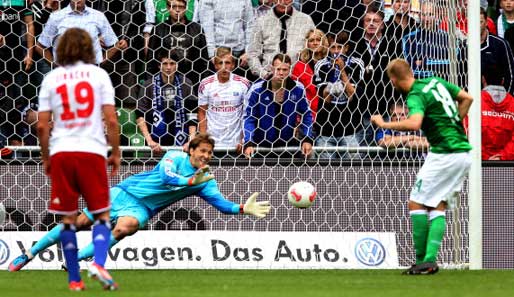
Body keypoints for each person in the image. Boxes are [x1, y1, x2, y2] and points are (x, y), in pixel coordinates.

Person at [8, 133, 271, 272]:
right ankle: (29, 254)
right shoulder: (173, 157)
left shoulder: (206, 180)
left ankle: (76, 259)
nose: (206, 156)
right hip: (125, 192)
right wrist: (190, 183)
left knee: (126, 227)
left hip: (142, 208)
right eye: (202, 151)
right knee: (79, 222)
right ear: (190, 150)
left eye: (209, 153)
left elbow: (222, 205)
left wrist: (241, 208)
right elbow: (167, 176)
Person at [30, 28, 121, 290]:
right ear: (89, 48)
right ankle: (99, 263)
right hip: (91, 151)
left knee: (68, 219)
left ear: (61, 48)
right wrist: (114, 152)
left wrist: (46, 156)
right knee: (102, 215)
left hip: (62, 153)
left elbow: (42, 126)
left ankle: (73, 280)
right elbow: (112, 120)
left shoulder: (52, 78)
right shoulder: (99, 75)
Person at [371, 58, 473, 274]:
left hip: (445, 153)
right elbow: (467, 98)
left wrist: (384, 124)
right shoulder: (436, 81)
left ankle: (421, 261)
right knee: (438, 204)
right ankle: (429, 261)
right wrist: (453, 122)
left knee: (416, 203)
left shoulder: (415, 95)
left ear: (393, 80)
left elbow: (415, 123)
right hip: (462, 152)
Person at [243, 53, 314, 158]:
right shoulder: (257, 89)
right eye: (278, 69)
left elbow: (306, 115)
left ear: (290, 70)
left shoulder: (298, 89)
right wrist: (248, 142)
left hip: (287, 146)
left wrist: (307, 138)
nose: (281, 73)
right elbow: (249, 117)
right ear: (272, 69)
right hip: (260, 146)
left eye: (285, 70)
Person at [313, 31, 365, 159]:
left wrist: (342, 71)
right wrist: (332, 88)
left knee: (353, 165)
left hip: (350, 128)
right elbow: (324, 99)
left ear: (346, 48)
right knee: (324, 167)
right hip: (326, 129)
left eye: (339, 47)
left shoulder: (357, 64)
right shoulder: (321, 65)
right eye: (333, 47)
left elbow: (353, 96)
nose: (336, 51)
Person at [136, 49, 197, 152]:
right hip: (155, 137)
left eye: (172, 63)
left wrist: (191, 140)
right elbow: (140, 115)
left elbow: (192, 114)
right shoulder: (148, 84)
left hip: (181, 137)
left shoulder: (186, 83)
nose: (168, 67)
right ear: (159, 66)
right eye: (165, 64)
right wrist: (149, 141)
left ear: (177, 65)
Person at [198, 47, 251, 153]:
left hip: (236, 144)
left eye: (227, 63)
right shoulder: (205, 84)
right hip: (212, 143)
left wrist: (244, 139)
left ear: (233, 65)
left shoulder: (243, 83)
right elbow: (202, 113)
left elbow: (247, 114)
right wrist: (204, 140)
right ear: (215, 65)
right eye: (220, 63)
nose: (224, 67)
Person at [247, 0, 315, 79]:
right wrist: (265, 75)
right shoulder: (261, 22)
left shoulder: (305, 20)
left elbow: (316, 47)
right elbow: (252, 54)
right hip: (269, 78)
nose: (282, 2)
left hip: (299, 77)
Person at [291, 28, 329, 120]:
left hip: (329, 113)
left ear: (323, 42)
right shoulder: (300, 66)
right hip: (308, 116)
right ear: (307, 43)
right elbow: (294, 93)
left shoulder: (330, 63)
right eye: (311, 40)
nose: (315, 43)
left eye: (318, 40)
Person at [479, 64, 514, 160]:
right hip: (508, 166)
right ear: (502, 81)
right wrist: (501, 157)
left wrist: (485, 157)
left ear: (483, 80)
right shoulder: (512, 103)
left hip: (478, 165)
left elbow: (467, 132)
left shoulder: (475, 102)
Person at [480, 7, 514, 95]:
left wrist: (507, 98)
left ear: (486, 22)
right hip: (473, 97)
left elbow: (510, 73)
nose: (477, 26)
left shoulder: (500, 44)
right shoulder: (465, 45)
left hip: (497, 96)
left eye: (480, 22)